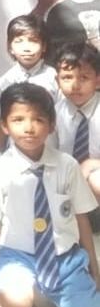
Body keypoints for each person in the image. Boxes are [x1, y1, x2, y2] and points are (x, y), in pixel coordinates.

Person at [0, 82, 100, 307]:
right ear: (4, 125)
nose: (29, 128)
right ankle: (24, 297)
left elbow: (81, 219)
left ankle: (62, 290)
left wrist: (94, 269)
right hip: (17, 256)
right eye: (18, 120)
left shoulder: (67, 166)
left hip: (64, 257)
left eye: (38, 119)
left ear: (52, 125)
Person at [0, 14, 58, 151]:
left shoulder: (54, 78)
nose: (26, 48)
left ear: (44, 46)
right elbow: (0, 120)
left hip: (49, 149)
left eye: (33, 41)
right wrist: (1, 152)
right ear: (10, 47)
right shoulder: (5, 81)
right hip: (14, 152)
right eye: (19, 41)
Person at [54, 42, 100, 204]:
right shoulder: (53, 113)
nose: (75, 85)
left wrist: (91, 164)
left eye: (84, 78)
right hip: (64, 180)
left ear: (98, 81)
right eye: (67, 77)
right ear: (57, 81)